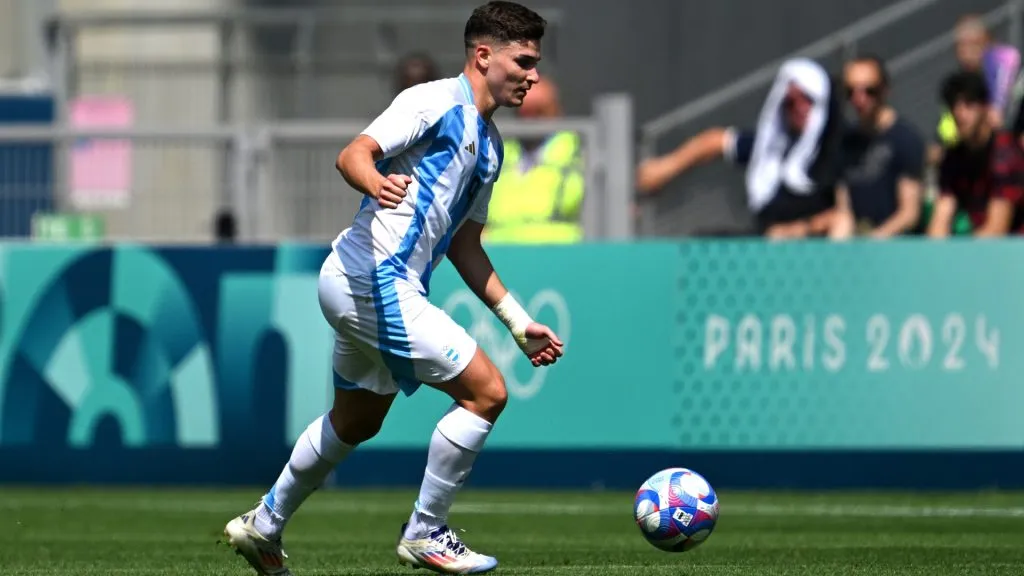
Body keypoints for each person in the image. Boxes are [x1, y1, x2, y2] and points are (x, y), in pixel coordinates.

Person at [222, 3, 564, 575]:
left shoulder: (493, 148)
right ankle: (426, 531)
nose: (533, 76)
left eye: (536, 63)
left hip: (370, 285)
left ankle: (264, 524)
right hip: (371, 278)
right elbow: (353, 153)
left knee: (356, 422)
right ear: (483, 56)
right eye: (523, 61)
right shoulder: (432, 101)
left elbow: (465, 247)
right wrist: (375, 181)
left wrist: (517, 321)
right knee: (487, 392)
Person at [636, 58, 843, 238]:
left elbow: (843, 216)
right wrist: (666, 167)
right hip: (768, 252)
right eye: (790, 102)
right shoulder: (773, 150)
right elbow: (716, 141)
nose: (799, 109)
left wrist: (797, 230)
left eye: (807, 100)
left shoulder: (835, 152)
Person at [830, 54, 925, 239]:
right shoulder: (844, 142)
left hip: (896, 248)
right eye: (850, 91)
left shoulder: (905, 139)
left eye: (869, 90)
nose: (859, 99)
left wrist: (874, 240)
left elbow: (909, 214)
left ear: (884, 90)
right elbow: (844, 209)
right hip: (857, 248)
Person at [483, 75, 585, 243]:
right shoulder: (498, 151)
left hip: (559, 256)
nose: (529, 119)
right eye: (523, 110)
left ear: (556, 110)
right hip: (499, 256)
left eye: (538, 110)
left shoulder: (579, 154)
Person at [928, 71, 1024, 238]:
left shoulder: (1005, 154)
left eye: (969, 104)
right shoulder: (954, 157)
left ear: (985, 107)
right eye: (953, 105)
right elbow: (941, 218)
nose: (959, 113)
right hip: (978, 247)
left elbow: (995, 231)